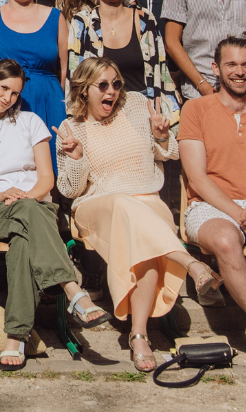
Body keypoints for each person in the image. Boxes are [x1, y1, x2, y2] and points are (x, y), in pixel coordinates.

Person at [0, 60, 111, 371]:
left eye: (15, 92)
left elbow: (46, 181)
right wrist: (2, 195)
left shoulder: (30, 122)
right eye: (3, 88)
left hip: (34, 208)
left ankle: (16, 337)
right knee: (26, 213)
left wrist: (24, 198)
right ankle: (73, 290)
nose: (8, 97)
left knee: (24, 238)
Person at [55, 57, 211, 371]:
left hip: (148, 201)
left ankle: (139, 334)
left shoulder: (138, 106)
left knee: (143, 233)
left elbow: (171, 154)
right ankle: (188, 261)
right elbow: (69, 189)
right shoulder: (73, 127)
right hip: (98, 205)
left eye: (116, 84)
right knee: (124, 205)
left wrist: (161, 136)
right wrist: (76, 157)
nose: (111, 91)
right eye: (102, 85)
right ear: (84, 91)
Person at [68, 0, 179, 125]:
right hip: (100, 118)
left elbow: (161, 73)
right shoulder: (83, 23)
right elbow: (74, 77)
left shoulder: (145, 20)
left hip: (143, 115)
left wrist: (170, 120)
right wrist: (76, 122)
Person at [179, 37, 246, 315]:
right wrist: (239, 215)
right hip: (209, 207)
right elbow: (197, 179)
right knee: (226, 240)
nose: (239, 71)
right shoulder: (196, 110)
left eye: (245, 65)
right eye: (231, 64)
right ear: (215, 68)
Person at [0, 0, 68, 169]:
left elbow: (64, 68)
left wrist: (57, 100)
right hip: (6, 100)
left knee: (51, 167)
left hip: (48, 100)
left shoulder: (55, 17)